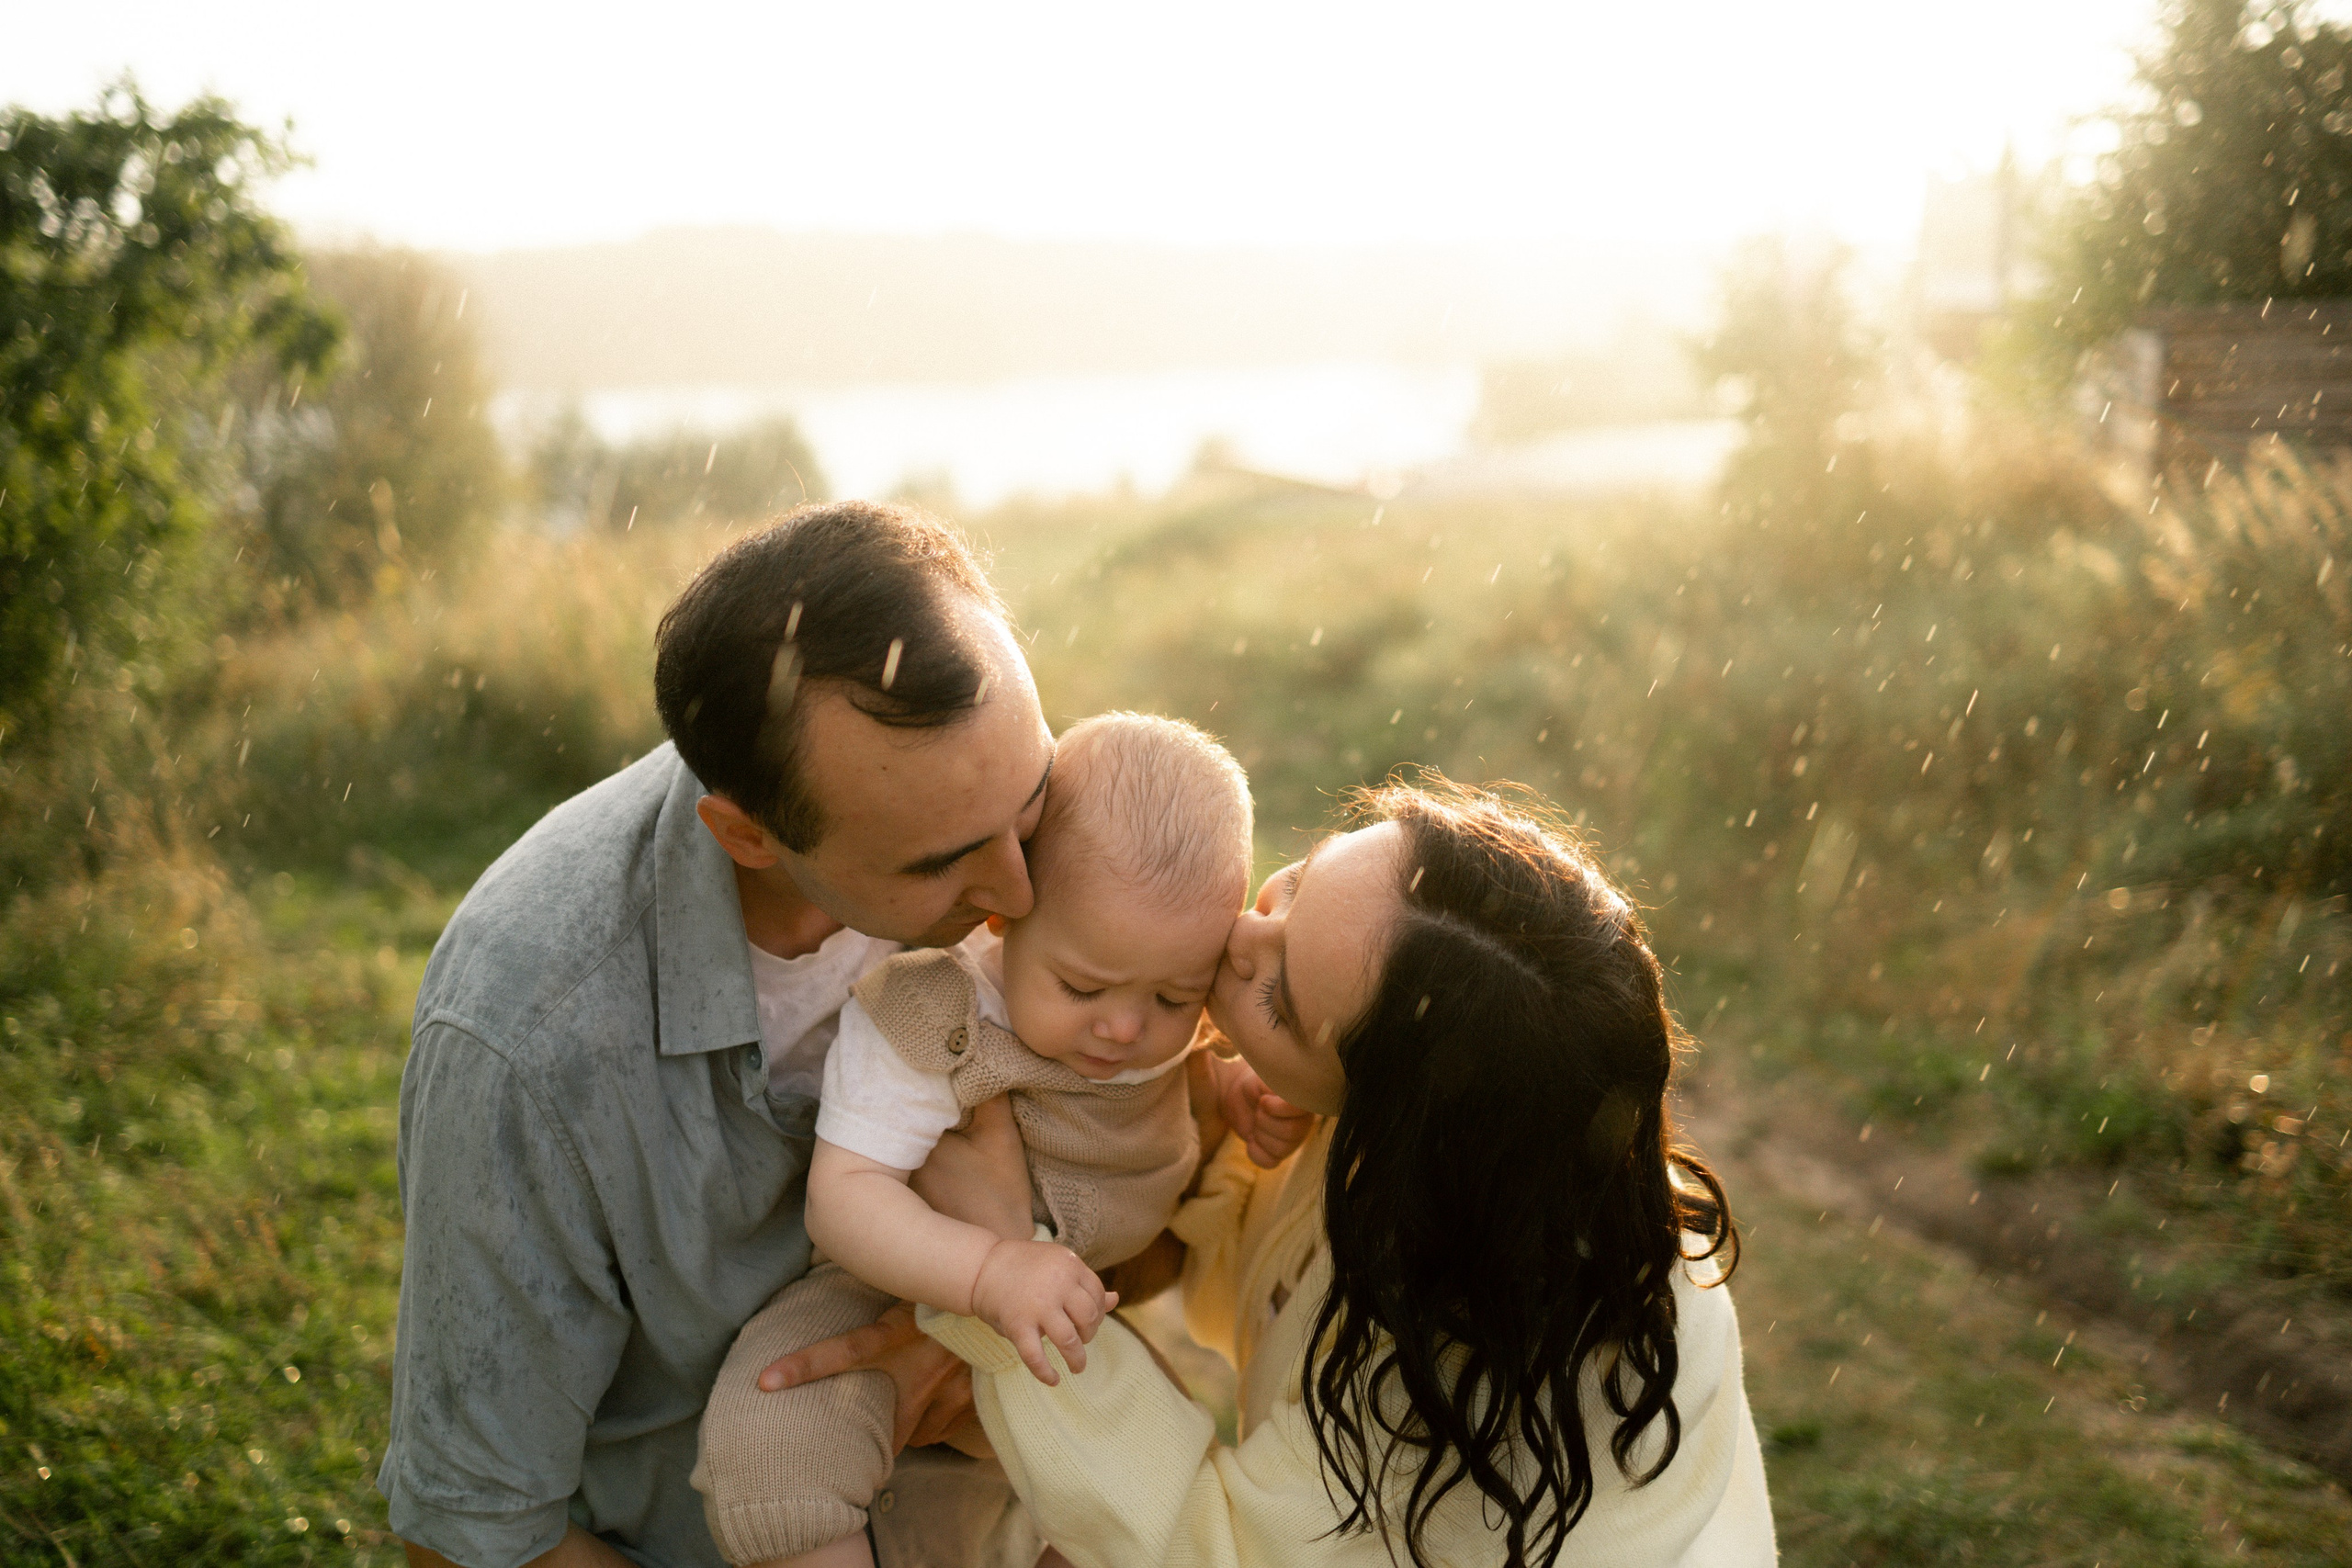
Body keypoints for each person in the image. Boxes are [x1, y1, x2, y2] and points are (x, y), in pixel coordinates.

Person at [381, 502, 1066, 1568]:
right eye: (937, 865)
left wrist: (961, 1332)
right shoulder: (527, 1045)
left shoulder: (1022, 821)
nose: (1024, 893)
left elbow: (1172, 1204)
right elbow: (473, 1538)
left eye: (1029, 800)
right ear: (747, 834)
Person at [885, 778, 1778, 1567]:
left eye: (1278, 1000)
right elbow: (1250, 1280)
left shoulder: (1461, 1389)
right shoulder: (1471, 1157)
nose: (1237, 934)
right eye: (1302, 877)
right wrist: (1206, 1126)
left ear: (1399, 1139)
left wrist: (1003, 1276)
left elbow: (1216, 1550)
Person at [693, 713, 1283, 1568]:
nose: (1123, 1028)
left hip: (1074, 1321)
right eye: (1083, 985)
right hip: (901, 1284)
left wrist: (1234, 1092)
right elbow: (844, 1198)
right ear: (1007, 917)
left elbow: (1187, 1070)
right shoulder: (938, 1020)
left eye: (1172, 997)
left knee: (1158, 1498)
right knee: (773, 1432)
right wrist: (987, 1272)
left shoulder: (1148, 1005)